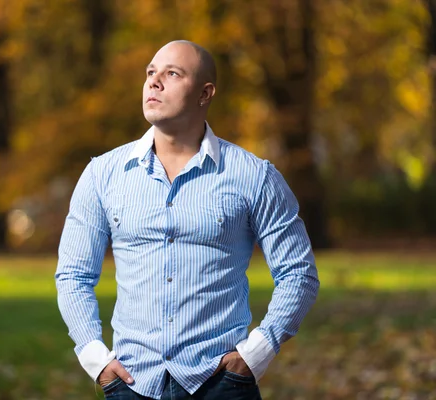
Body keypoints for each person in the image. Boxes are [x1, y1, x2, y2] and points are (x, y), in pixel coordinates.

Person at [55, 40, 320, 400]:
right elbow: (73, 274)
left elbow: (298, 274)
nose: (154, 82)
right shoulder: (102, 174)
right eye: (150, 73)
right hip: (131, 385)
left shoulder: (254, 176)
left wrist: (256, 353)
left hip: (222, 383)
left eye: (172, 73)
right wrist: (95, 358)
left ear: (205, 93)